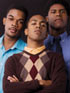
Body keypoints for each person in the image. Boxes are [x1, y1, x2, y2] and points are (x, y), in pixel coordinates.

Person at [3, 14, 66, 93]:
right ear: (26, 31)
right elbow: (8, 89)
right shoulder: (13, 60)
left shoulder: (56, 59)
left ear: (46, 35)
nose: (38, 26)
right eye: (33, 23)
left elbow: (59, 89)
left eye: (42, 25)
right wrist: (40, 82)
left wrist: (20, 86)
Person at [0, 5, 28, 93]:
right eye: (11, 19)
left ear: (23, 26)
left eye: (20, 21)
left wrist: (20, 86)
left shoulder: (27, 52)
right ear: (4, 21)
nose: (14, 24)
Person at [44, 0, 70, 92]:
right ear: (46, 18)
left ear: (67, 17)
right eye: (53, 12)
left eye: (62, 12)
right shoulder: (39, 44)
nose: (58, 14)